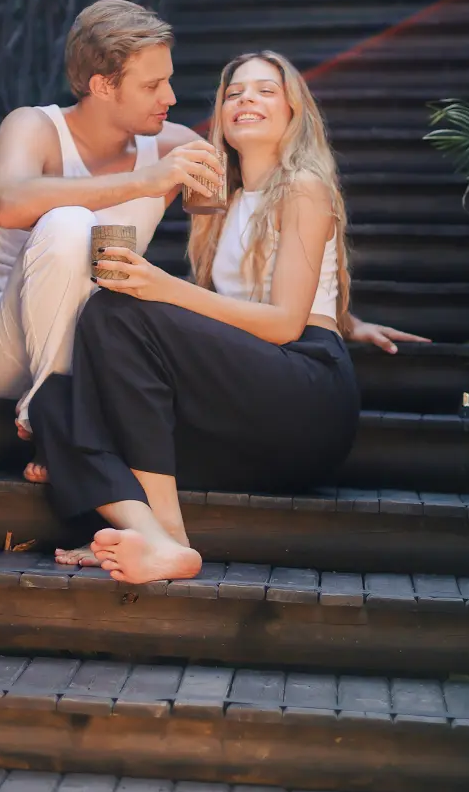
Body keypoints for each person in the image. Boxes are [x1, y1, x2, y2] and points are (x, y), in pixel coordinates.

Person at [29, 51, 427, 585]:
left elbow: (288, 323)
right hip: (249, 411)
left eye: (265, 90)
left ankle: (166, 533)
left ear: (293, 111)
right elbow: (244, 308)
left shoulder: (304, 187)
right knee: (57, 398)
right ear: (220, 114)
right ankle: (149, 535)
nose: (246, 100)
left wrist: (164, 289)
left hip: (306, 396)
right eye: (234, 93)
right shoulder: (221, 201)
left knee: (114, 311)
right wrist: (351, 319)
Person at [0, 0, 223, 479]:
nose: (170, 97)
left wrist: (331, 316)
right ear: (103, 85)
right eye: (152, 85)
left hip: (102, 345)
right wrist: (146, 181)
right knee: (67, 223)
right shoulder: (33, 126)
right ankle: (53, 414)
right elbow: (11, 203)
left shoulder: (174, 146)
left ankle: (73, 409)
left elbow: (235, 235)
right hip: (6, 346)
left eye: (167, 80)